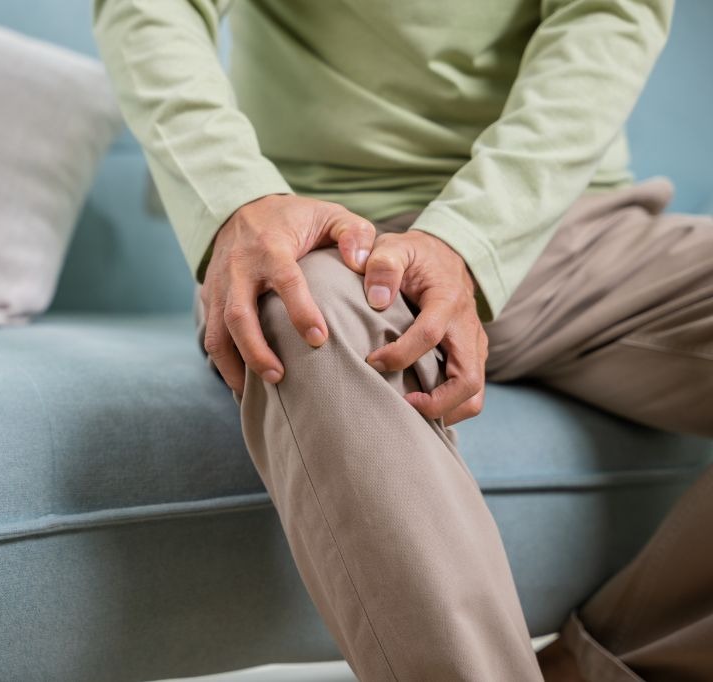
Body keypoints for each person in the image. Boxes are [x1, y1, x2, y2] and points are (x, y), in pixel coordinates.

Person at [92, 1, 713, 679]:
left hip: (566, 229)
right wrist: (238, 199)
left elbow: (607, 18)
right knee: (300, 314)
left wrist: (468, 241)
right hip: (327, 236)